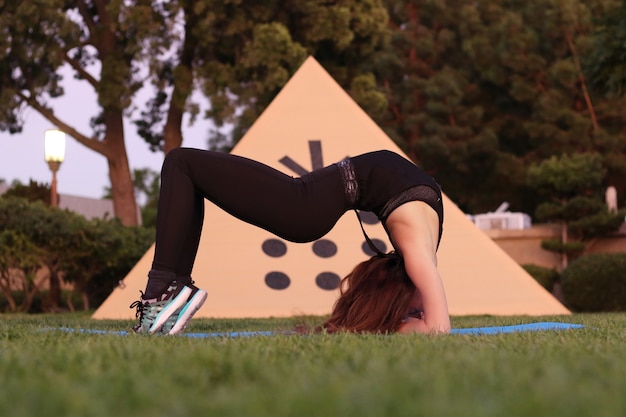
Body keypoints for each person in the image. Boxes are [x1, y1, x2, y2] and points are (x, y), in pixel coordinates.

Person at [131, 148, 450, 335]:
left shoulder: (418, 252)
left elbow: (438, 329)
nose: (419, 312)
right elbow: (435, 321)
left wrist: (404, 323)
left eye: (411, 315)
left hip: (307, 204)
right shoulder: (419, 259)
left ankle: (163, 293)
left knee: (181, 163)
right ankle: (172, 291)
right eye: (414, 313)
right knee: (184, 167)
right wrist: (406, 320)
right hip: (313, 199)